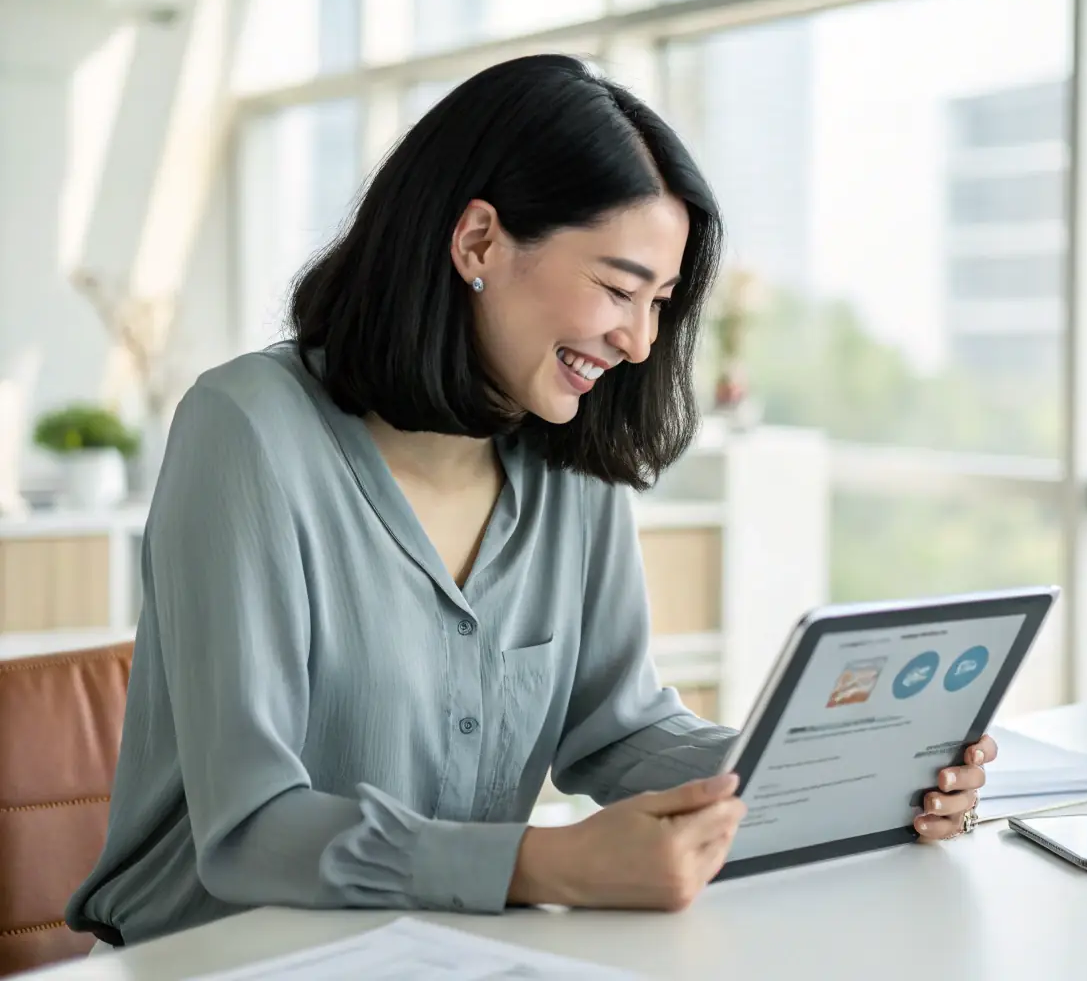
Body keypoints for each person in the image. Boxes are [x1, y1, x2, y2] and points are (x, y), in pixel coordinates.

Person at [67, 54, 997, 949]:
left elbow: (617, 728)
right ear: (477, 241)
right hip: (216, 953)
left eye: (663, 302)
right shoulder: (246, 432)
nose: (638, 342)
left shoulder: (567, 452)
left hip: (446, 946)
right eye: (616, 288)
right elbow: (250, 828)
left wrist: (843, 774)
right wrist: (549, 865)